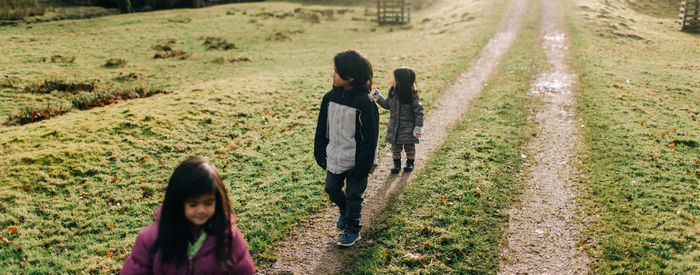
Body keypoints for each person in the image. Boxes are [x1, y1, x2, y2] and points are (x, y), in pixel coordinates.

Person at [120, 157, 255, 274]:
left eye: (208, 203)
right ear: (179, 202)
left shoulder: (228, 237)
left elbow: (244, 271)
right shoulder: (151, 239)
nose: (201, 210)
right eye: (193, 204)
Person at [314, 50, 379, 247]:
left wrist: (362, 166)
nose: (332, 75)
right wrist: (319, 150)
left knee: (354, 195)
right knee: (331, 189)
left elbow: (370, 138)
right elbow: (321, 128)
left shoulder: (365, 103)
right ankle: (344, 211)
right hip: (335, 155)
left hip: (357, 160)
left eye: (336, 71)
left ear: (351, 77)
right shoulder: (329, 98)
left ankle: (352, 228)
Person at [371, 67, 424, 174]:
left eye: (396, 79)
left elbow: (419, 111)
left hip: (408, 127)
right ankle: (396, 164)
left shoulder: (412, 95)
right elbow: (387, 105)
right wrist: (378, 97)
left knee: (409, 146)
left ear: (404, 82)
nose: (393, 81)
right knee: (395, 147)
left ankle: (410, 162)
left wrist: (418, 127)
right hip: (394, 127)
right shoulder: (393, 92)